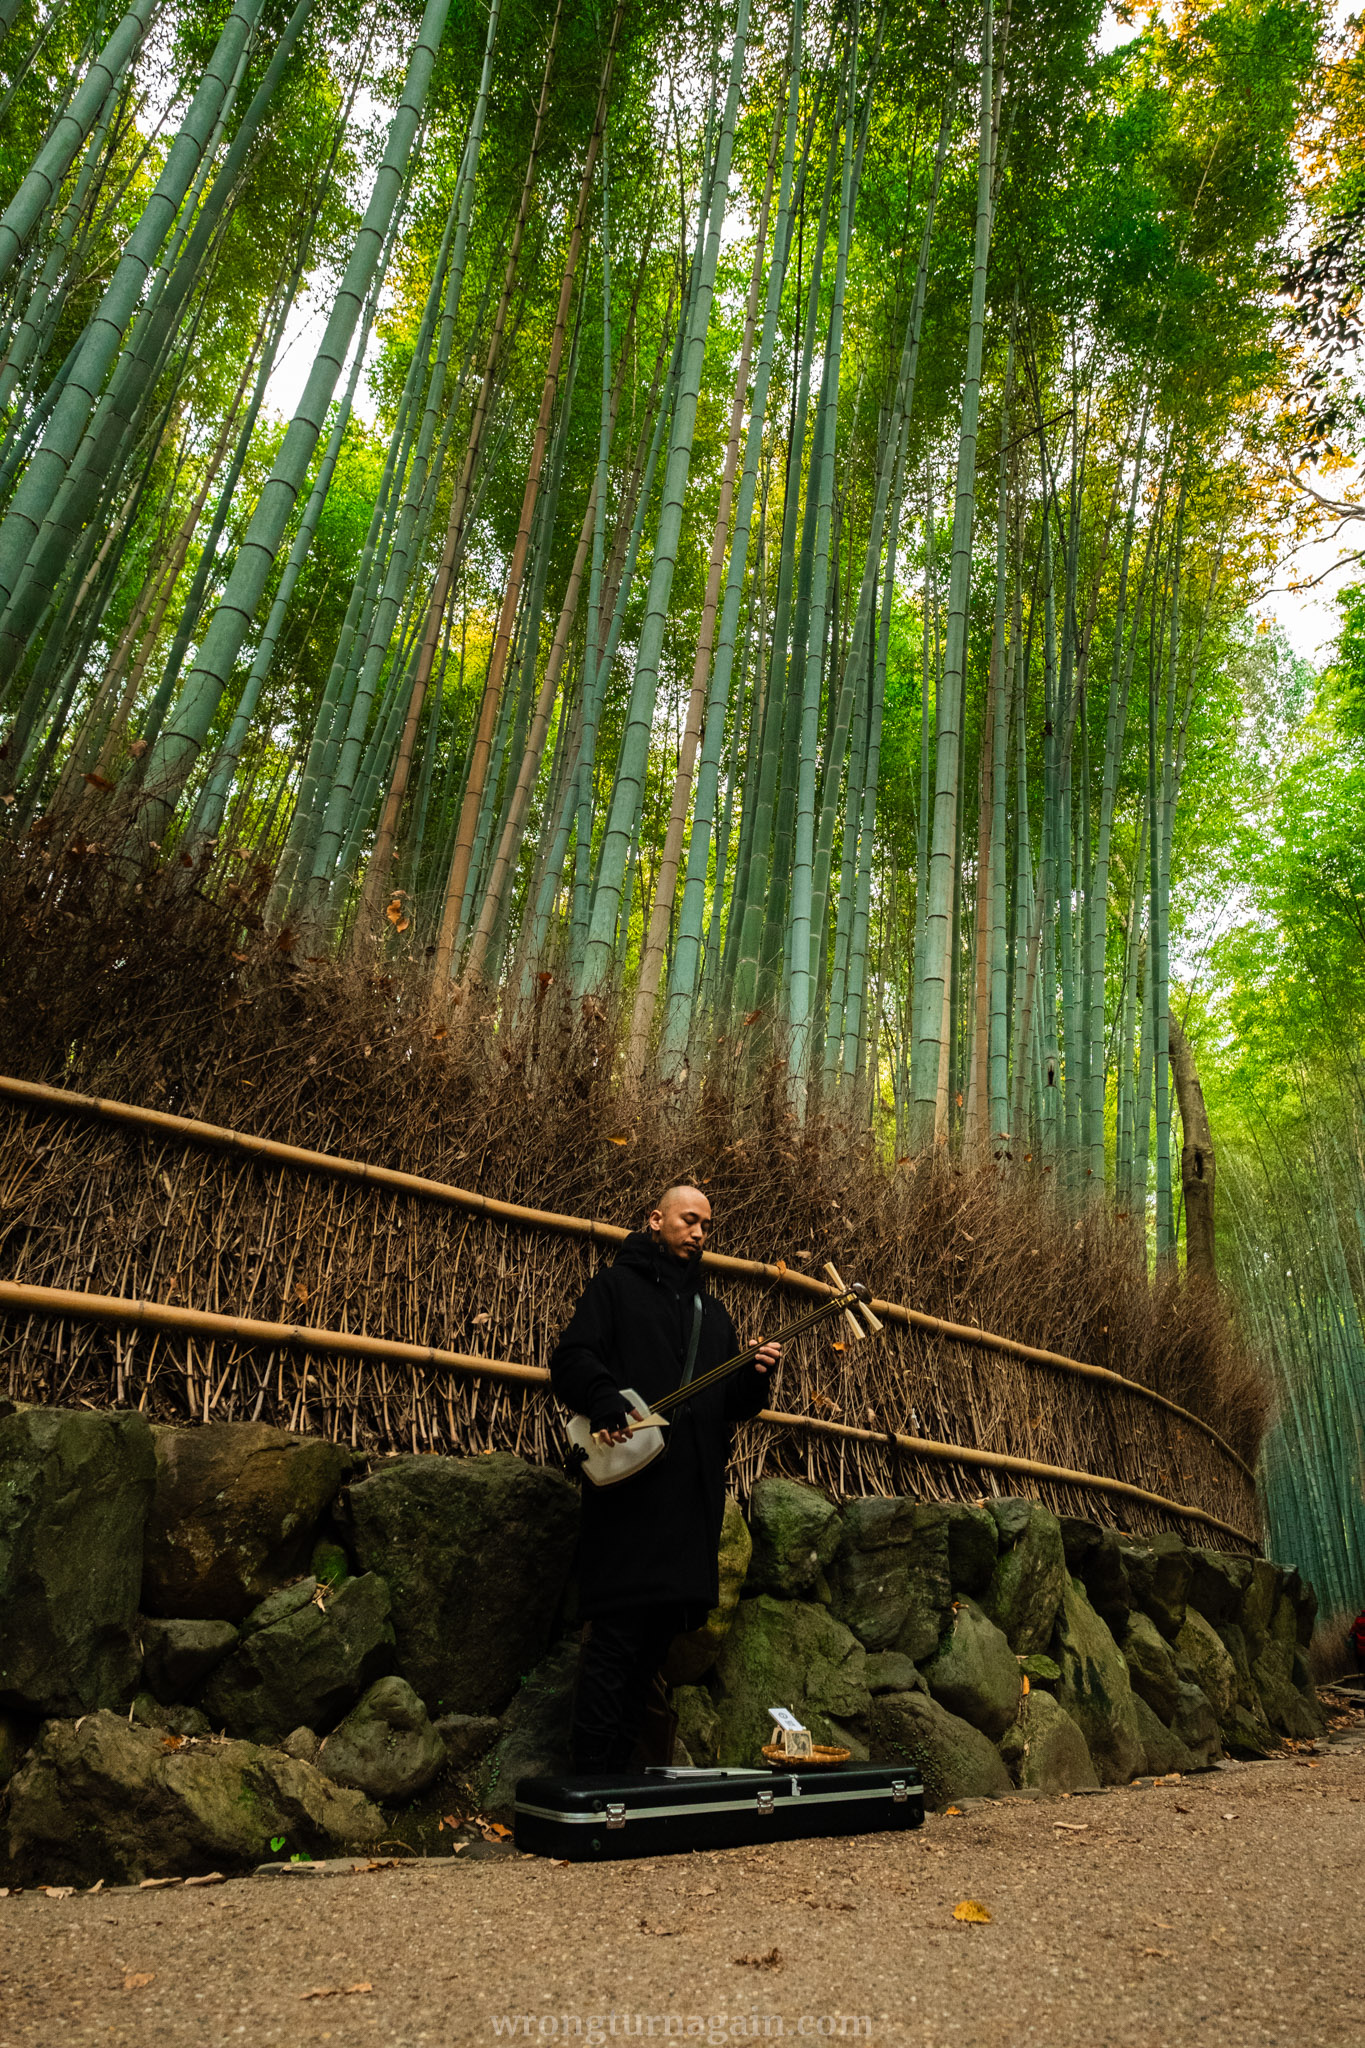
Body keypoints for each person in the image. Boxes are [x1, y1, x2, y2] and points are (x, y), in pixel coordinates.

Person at [549, 1182, 781, 1771]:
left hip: (690, 1502)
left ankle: (624, 1779)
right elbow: (574, 1357)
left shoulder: (714, 1314)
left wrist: (754, 1376)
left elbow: (731, 1405)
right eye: (688, 1219)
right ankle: (588, 1781)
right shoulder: (614, 1289)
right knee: (616, 1638)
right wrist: (605, 1401)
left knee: (652, 1644)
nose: (699, 1232)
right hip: (630, 1497)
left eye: (706, 1224)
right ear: (656, 1220)